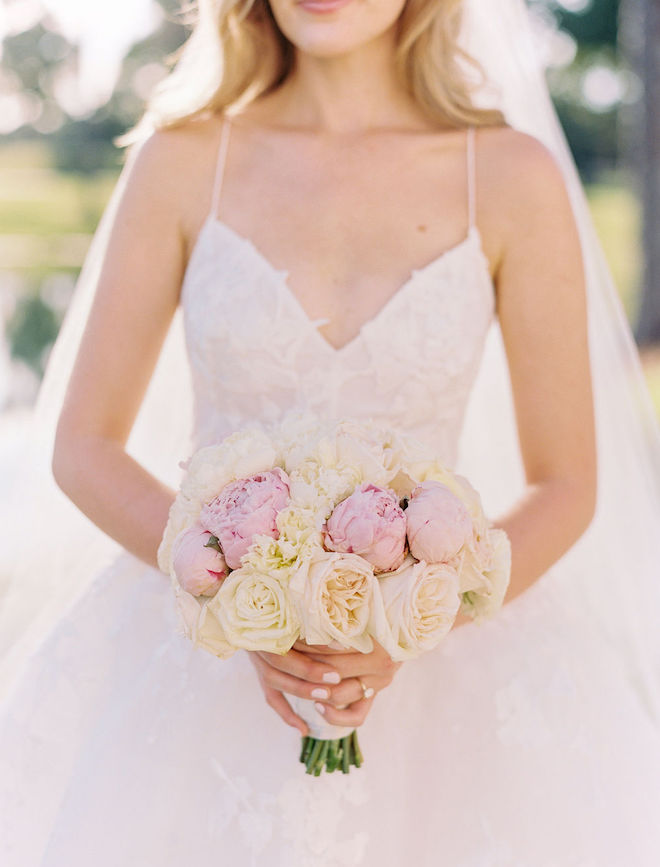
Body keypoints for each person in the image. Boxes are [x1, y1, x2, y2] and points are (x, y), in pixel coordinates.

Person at [1, 0, 659, 864]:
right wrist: (232, 597)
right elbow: (82, 444)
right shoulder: (184, 159)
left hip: (447, 686)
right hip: (197, 673)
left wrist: (412, 618)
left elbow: (567, 481)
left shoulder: (507, 176)